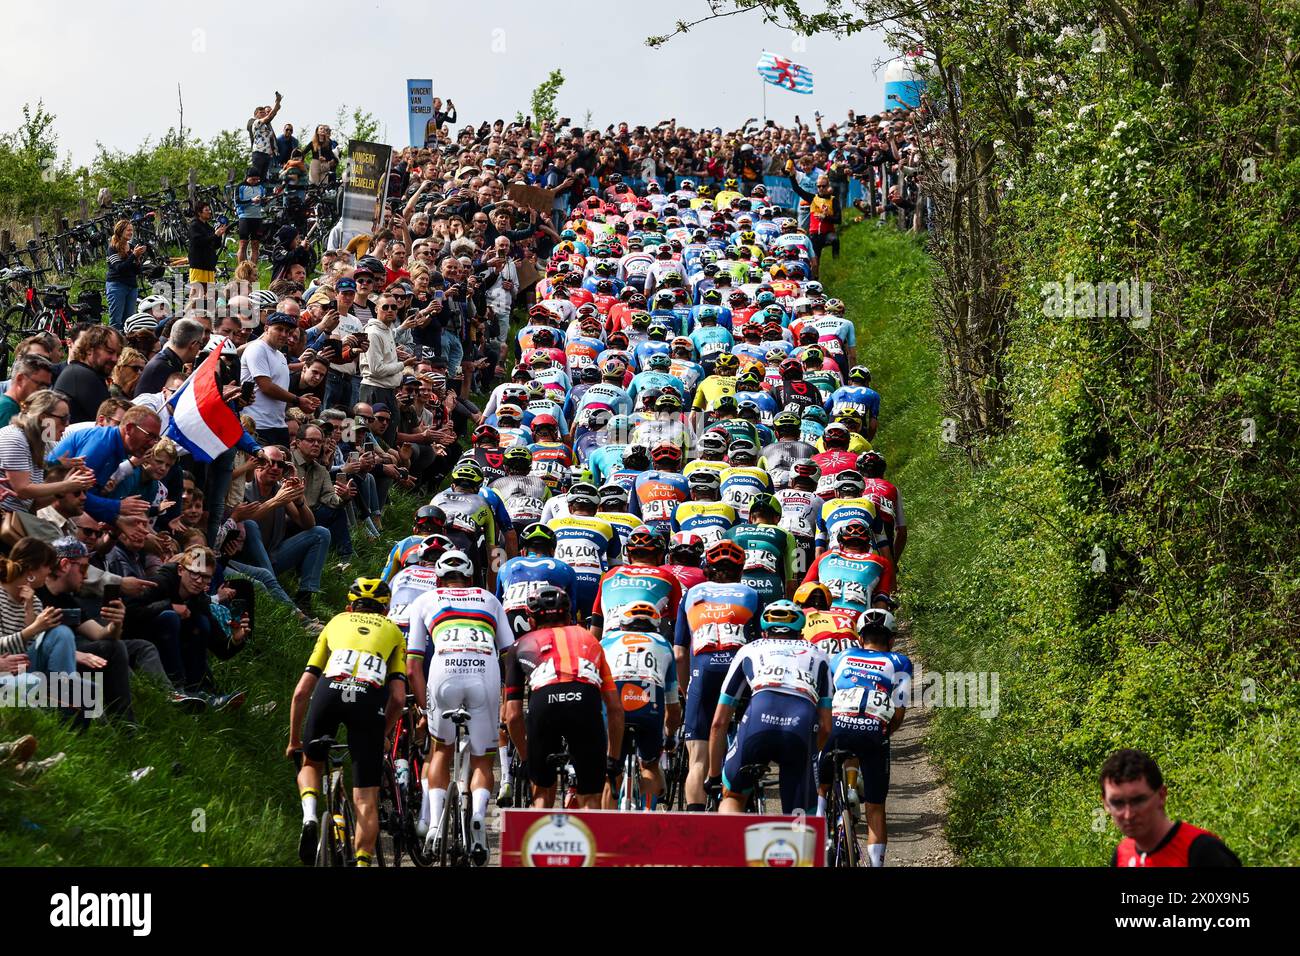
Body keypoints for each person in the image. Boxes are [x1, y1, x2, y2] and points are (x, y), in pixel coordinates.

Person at [288, 577, 406, 868]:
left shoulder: (336, 622)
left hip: (328, 693)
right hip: (367, 702)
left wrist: (294, 741)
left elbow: (302, 690)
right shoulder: (393, 630)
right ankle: (364, 862)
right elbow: (399, 698)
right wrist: (385, 732)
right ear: (386, 609)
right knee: (365, 798)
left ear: (349, 606)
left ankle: (310, 815)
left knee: (311, 764)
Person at [405, 550, 514, 865]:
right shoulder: (489, 599)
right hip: (485, 674)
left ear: (438, 580)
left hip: (443, 675)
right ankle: (478, 816)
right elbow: (508, 652)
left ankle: (437, 824)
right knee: (483, 757)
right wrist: (509, 697)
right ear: (470, 578)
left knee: (440, 751)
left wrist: (425, 711)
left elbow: (413, 665)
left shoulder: (425, 601)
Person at [504, 586, 624, 811]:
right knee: (591, 796)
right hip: (584, 701)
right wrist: (613, 760)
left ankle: (540, 840)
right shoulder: (589, 638)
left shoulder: (520, 645)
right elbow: (615, 709)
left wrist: (527, 760)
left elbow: (512, 716)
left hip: (544, 702)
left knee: (541, 791)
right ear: (569, 616)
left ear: (531, 621)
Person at [708, 600, 832, 814]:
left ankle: (729, 844)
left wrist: (714, 777)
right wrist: (809, 751)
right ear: (801, 635)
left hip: (757, 720)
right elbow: (826, 727)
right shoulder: (819, 654)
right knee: (800, 817)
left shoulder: (749, 649)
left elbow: (719, 722)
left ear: (764, 633)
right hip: (800, 726)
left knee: (733, 795)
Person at [818, 607, 910, 867]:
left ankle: (818, 829)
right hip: (874, 733)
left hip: (839, 727)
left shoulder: (840, 657)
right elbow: (899, 713)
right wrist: (880, 733)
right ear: (891, 640)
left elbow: (826, 700)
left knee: (822, 786)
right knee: (875, 807)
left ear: (860, 638)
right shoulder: (900, 662)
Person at [673, 538, 760, 811]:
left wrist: (686, 689)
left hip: (703, 671)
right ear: (740, 570)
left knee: (697, 759)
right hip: (741, 673)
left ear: (707, 568)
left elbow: (679, 652)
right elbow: (759, 643)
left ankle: (695, 826)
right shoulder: (750, 594)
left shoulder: (692, 594)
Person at [232, 445, 331, 618]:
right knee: (250, 525)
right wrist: (276, 502)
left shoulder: (278, 490)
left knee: (320, 533)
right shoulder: (244, 489)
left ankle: (304, 597)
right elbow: (245, 521)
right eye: (270, 463)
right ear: (258, 463)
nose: (276, 468)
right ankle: (278, 593)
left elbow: (308, 524)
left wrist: (300, 501)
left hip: (273, 555)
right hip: (247, 561)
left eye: (281, 465)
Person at [599, 601, 681, 809]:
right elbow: (673, 707)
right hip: (649, 702)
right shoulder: (663, 644)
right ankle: (646, 817)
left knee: (611, 772)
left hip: (615, 704)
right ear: (655, 626)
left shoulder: (607, 640)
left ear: (623, 625)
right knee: (651, 765)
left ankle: (604, 831)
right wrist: (670, 737)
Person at [1102, 749, 1241, 867]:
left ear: (1161, 796)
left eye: (1138, 801)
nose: (1128, 815)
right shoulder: (1122, 854)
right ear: (1106, 804)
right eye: (1117, 803)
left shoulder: (1203, 851)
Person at [0, 390, 96, 514]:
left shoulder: (42, 442)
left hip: (15, 518)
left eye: (68, 418)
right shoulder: (15, 438)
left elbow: (33, 505)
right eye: (63, 418)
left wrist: (62, 491)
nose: (67, 424)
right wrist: (67, 485)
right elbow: (23, 491)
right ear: (43, 418)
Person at [241, 310, 320, 446]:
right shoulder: (257, 348)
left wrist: (301, 402)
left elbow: (278, 396)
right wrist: (297, 400)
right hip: (257, 425)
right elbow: (266, 386)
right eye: (279, 329)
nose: (284, 334)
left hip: (278, 425)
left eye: (287, 331)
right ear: (266, 328)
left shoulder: (280, 356)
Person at [55, 326, 123, 424]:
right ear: (89, 350)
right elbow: (112, 422)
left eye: (118, 355)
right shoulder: (82, 376)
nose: (115, 359)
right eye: (110, 352)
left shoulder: (76, 371)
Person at [105, 219, 146, 331]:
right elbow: (119, 268)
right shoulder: (112, 248)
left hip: (131, 286)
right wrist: (133, 256)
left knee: (129, 321)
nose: (131, 232)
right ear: (120, 231)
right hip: (117, 286)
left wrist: (137, 259)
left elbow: (137, 271)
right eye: (128, 230)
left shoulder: (132, 246)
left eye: (131, 230)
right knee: (116, 321)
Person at [0, 353, 54, 427]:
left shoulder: (11, 405)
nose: (43, 391)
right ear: (20, 379)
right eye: (41, 385)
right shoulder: (8, 409)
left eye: (47, 387)